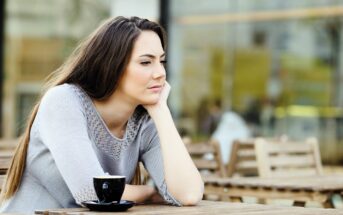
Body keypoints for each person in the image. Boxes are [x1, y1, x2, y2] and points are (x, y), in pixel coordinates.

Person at [0, 16, 204, 213]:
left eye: (162, 61)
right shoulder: (64, 101)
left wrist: (162, 112)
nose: (160, 73)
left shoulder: (144, 122)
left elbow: (189, 194)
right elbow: (92, 191)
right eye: (145, 62)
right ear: (112, 66)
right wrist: (150, 192)